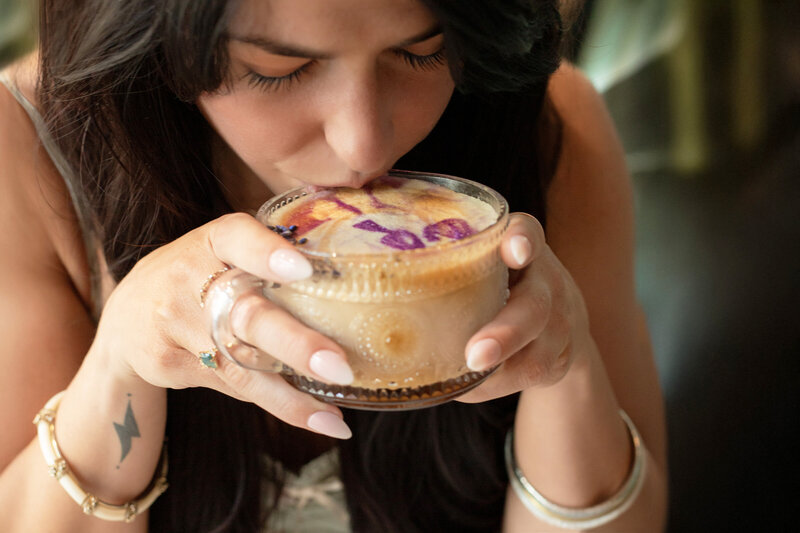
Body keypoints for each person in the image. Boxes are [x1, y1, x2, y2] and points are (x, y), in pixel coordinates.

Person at [0, 0, 668, 531]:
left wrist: (565, 364)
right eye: (278, 67)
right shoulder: (26, 148)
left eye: (421, 50)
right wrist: (122, 354)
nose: (364, 141)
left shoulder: (552, 128)